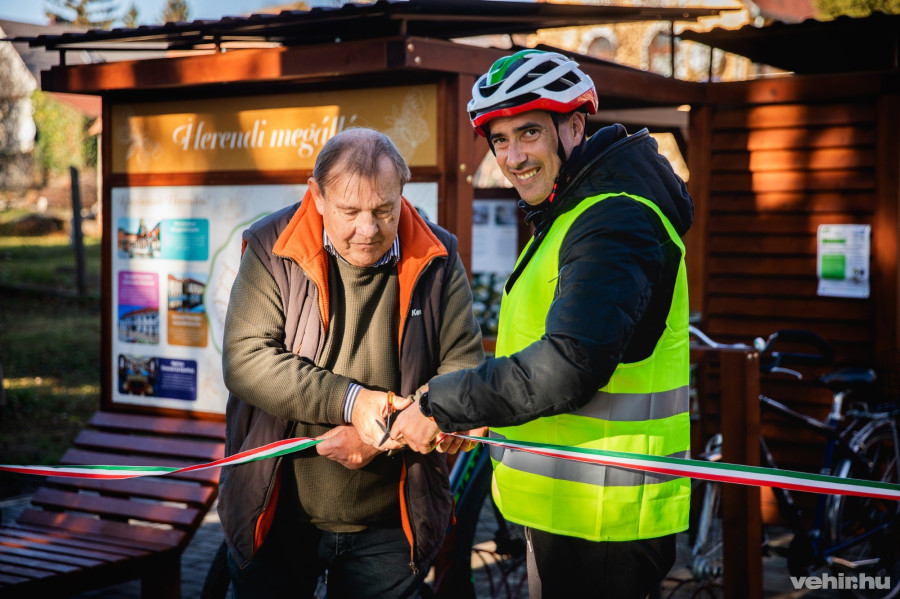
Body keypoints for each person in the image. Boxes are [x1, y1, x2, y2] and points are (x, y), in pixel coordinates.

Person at [388, 49, 694, 598]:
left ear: (574, 126)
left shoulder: (614, 217)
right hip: (574, 506)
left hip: (603, 515)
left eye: (529, 132)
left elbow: (570, 364)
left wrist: (442, 403)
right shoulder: (574, 211)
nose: (513, 156)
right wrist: (487, 416)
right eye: (500, 140)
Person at [217, 127, 484, 599]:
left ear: (402, 193)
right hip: (277, 513)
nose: (369, 228)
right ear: (316, 196)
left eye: (385, 209)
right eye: (350, 211)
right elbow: (245, 359)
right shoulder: (271, 246)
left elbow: (461, 373)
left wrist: (380, 441)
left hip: (391, 521)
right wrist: (352, 401)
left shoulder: (438, 255)